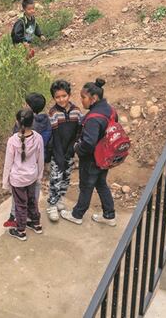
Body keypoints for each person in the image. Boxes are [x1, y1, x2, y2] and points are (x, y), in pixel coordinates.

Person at [60, 78, 117, 226]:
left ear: (94, 98)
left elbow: (89, 143)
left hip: (92, 160)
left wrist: (76, 148)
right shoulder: (110, 110)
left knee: (86, 186)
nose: (82, 101)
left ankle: (77, 215)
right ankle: (109, 216)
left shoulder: (93, 119)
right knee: (101, 184)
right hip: (106, 157)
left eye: (84, 98)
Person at [3, 93, 49, 228]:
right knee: (32, 199)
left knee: (19, 203)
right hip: (33, 173)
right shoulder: (41, 132)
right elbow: (41, 157)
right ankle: (35, 223)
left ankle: (19, 226)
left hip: (18, 177)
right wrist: (39, 175)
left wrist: (5, 182)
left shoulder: (13, 140)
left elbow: (8, 163)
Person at [45, 79, 83, 222]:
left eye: (64, 96)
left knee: (66, 177)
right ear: (54, 98)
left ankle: (60, 199)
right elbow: (54, 136)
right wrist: (58, 154)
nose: (61, 99)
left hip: (70, 151)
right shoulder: (53, 113)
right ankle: (52, 205)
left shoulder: (76, 111)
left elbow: (78, 132)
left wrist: (71, 150)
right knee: (56, 178)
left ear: (69, 95)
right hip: (57, 151)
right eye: (57, 97)